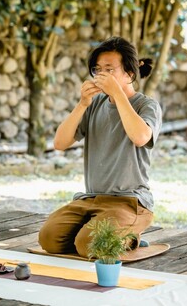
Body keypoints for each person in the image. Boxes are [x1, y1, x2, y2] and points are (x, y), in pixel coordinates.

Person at [38, 36, 163, 258]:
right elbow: (60, 143)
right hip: (90, 199)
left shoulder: (147, 105)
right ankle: (103, 231)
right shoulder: (95, 104)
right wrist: (82, 104)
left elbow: (141, 136)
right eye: (97, 69)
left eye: (109, 69)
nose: (101, 74)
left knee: (89, 245)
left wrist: (117, 94)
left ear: (129, 74)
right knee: (49, 239)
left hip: (130, 202)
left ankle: (129, 235)